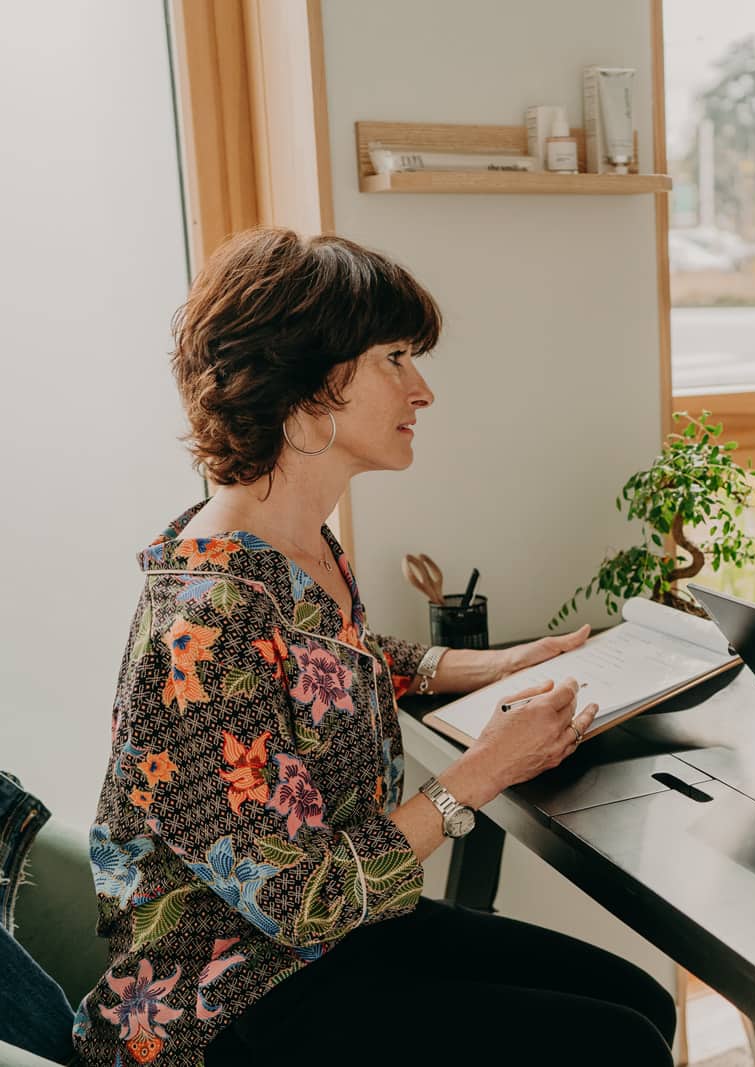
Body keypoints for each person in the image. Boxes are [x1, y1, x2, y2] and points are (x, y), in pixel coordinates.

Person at [74, 228, 676, 1066]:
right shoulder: (203, 622)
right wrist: (484, 771)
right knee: (616, 1044)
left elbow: (321, 656)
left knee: (641, 1001)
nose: (421, 388)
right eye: (394, 357)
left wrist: (487, 664)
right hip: (235, 997)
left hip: (335, 940)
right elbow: (299, 897)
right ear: (308, 376)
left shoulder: (288, 542)